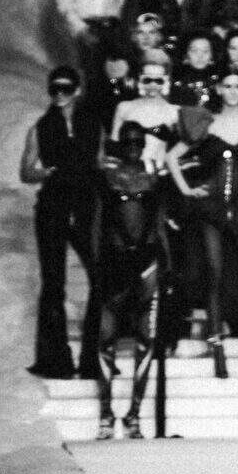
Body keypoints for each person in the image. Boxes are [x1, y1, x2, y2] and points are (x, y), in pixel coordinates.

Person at [167, 73, 238, 380]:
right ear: (219, 89)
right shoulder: (206, 121)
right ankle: (217, 349)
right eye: (227, 86)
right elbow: (172, 157)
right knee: (215, 275)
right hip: (212, 209)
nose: (233, 92)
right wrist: (187, 190)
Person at [21, 65, 102, 378]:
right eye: (54, 89)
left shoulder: (92, 124)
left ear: (77, 91)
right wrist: (41, 173)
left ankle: (92, 357)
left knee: (99, 277)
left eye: (65, 89)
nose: (59, 95)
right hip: (53, 202)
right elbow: (25, 170)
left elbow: (99, 159)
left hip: (85, 200)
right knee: (53, 282)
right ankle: (56, 359)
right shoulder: (41, 126)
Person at [91, 120, 169, 440]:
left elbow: (161, 225)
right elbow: (97, 225)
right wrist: (97, 267)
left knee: (146, 340)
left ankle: (134, 414)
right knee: (105, 339)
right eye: (130, 142)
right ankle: (107, 414)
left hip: (147, 264)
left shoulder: (154, 177)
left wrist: (169, 267)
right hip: (115, 264)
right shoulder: (107, 176)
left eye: (139, 142)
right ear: (121, 144)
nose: (135, 147)